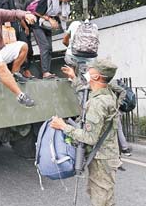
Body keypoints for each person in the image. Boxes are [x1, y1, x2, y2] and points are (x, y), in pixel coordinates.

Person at [50, 59, 122, 206]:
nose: (87, 71)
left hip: (101, 160)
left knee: (102, 200)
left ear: (96, 76)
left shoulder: (98, 103)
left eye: (90, 69)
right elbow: (85, 91)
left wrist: (63, 126)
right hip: (104, 156)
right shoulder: (107, 93)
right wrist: (73, 78)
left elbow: (90, 137)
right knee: (100, 195)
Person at [31, 0, 75, 79]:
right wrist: (49, 19)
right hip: (38, 24)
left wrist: (64, 31)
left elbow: (62, 18)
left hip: (47, 27)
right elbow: (36, 12)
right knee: (45, 47)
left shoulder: (64, 5)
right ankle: (45, 72)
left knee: (50, 48)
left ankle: (47, 71)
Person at [0, 0, 34, 78]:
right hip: (8, 22)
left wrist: (25, 25)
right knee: (12, 46)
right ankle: (13, 71)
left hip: (18, 22)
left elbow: (19, 10)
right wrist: (7, 20)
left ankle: (23, 69)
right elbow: (4, 3)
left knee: (26, 44)